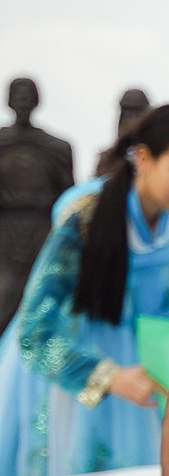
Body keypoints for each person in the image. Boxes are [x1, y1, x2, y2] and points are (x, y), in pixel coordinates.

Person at [0, 105, 169, 476]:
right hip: (74, 369)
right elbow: (35, 333)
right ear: (145, 158)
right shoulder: (86, 214)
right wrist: (108, 377)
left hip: (147, 368)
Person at [0, 79, 75, 327]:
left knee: (40, 294)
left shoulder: (56, 147)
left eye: (27, 96)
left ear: (36, 101)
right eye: (16, 95)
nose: (22, 101)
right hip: (5, 231)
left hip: (42, 229)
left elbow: (69, 199)